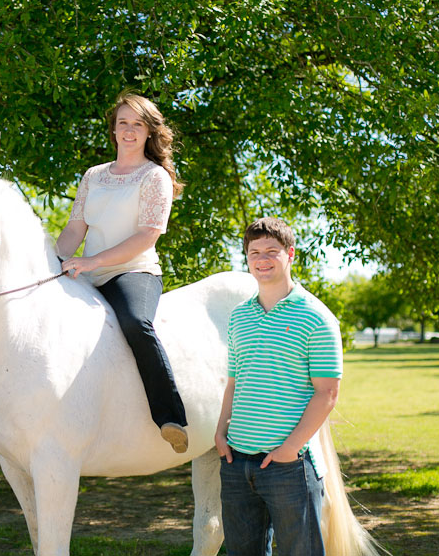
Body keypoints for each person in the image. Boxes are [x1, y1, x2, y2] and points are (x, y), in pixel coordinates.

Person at [55, 92, 188, 453]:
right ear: (113, 129)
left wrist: (93, 262)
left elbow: (147, 236)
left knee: (135, 324)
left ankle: (171, 417)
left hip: (133, 273)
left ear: (148, 132)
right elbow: (74, 229)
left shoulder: (154, 176)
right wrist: (53, 260)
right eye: (123, 123)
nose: (129, 130)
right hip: (86, 274)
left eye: (138, 124)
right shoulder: (93, 176)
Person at [214, 217, 343, 556]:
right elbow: (233, 382)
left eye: (272, 251)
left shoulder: (317, 317)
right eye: (254, 252)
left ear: (290, 255)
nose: (262, 259)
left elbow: (327, 393)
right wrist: (220, 432)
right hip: (236, 463)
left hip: (290, 466)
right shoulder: (239, 317)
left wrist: (290, 449)